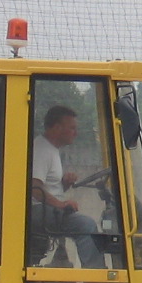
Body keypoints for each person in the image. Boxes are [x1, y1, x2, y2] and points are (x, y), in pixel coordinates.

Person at [30, 105, 106, 270]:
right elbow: (34, 189)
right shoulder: (41, 149)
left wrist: (63, 184)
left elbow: (46, 189)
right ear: (57, 127)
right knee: (86, 226)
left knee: (75, 220)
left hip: (46, 209)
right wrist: (60, 204)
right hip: (37, 211)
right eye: (72, 128)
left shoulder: (52, 150)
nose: (75, 133)